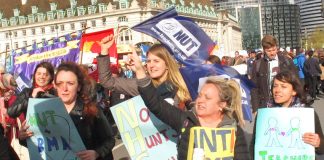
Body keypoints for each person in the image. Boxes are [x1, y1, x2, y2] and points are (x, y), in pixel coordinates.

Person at [126, 50, 250, 159]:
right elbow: (156, 104)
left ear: (221, 105)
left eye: (207, 98)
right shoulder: (186, 120)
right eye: (200, 95)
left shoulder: (234, 131)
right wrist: (140, 71)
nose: (200, 100)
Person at [18, 62, 115, 160]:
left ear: (79, 86)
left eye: (70, 83)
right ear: (55, 86)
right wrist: (24, 138)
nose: (64, 88)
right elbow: (43, 145)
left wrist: (96, 153)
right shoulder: (45, 110)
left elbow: (110, 139)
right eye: (60, 83)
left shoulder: (91, 111)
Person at [98, 35, 191, 109]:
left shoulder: (183, 85)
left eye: (156, 61)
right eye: (149, 61)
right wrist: (104, 50)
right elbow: (107, 81)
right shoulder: (142, 85)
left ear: (167, 64)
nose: (151, 65)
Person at [250, 70, 324, 159]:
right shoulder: (264, 114)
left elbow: (321, 149)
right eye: (275, 86)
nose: (277, 90)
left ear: (294, 91)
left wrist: (318, 143)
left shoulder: (307, 113)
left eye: (283, 86)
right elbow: (254, 145)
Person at [251, 35, 297, 114]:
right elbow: (254, 88)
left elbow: (296, 81)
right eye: (268, 51)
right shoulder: (257, 64)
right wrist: (255, 108)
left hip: (285, 104)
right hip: (265, 105)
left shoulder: (287, 61)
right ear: (264, 50)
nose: (272, 53)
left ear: (277, 47)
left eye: (274, 50)